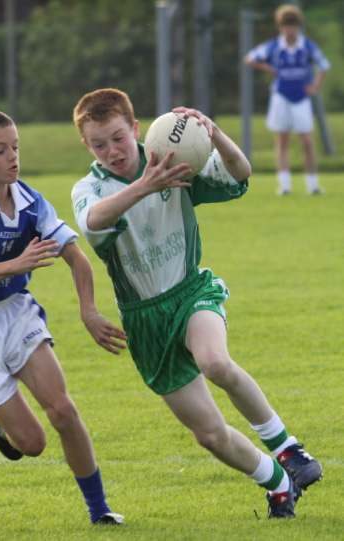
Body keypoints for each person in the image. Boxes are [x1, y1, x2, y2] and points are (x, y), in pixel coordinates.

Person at [71, 88, 322, 519]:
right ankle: (279, 484)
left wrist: (215, 135)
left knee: (215, 362)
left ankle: (288, 449)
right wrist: (145, 186)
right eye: (98, 144)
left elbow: (241, 174)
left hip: (190, 292)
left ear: (135, 128)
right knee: (208, 434)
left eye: (117, 137)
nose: (111, 151)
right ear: (86, 145)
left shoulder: (173, 158)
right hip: (144, 322)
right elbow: (93, 220)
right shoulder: (90, 188)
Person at [0, 107, 127, 525]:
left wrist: (88, 312)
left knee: (63, 411)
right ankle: (1, 421)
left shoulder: (30, 200)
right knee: (32, 444)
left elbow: (78, 260)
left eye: (16, 147)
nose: (14, 157)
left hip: (15, 312)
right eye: (0, 151)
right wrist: (15, 265)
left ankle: (100, 511)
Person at [244, 4, 330, 196]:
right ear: (281, 27)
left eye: (293, 25)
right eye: (286, 25)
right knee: (282, 141)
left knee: (307, 141)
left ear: (299, 26)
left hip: (301, 98)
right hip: (281, 97)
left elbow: (324, 66)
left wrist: (314, 87)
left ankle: (313, 185)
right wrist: (269, 68)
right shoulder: (274, 46)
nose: (290, 29)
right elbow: (250, 58)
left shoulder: (307, 46)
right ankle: (284, 185)